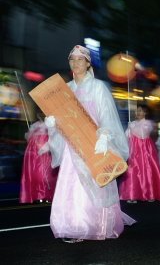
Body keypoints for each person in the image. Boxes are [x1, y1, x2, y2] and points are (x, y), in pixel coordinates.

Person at [45, 45, 135, 243]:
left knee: (95, 185)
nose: (76, 63)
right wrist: (53, 123)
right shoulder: (65, 89)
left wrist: (104, 138)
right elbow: (62, 119)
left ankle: (97, 225)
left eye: (80, 59)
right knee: (72, 186)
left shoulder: (98, 87)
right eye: (72, 59)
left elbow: (107, 117)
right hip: (72, 147)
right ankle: (75, 226)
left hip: (93, 145)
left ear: (88, 63)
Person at [119, 104, 160, 203]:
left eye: (140, 110)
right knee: (133, 172)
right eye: (137, 111)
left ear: (145, 112)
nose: (138, 113)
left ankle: (150, 193)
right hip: (134, 152)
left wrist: (131, 128)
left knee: (148, 170)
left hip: (146, 152)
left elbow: (142, 134)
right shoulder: (132, 123)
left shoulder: (148, 123)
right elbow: (126, 137)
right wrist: (128, 130)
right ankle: (132, 194)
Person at [19, 111, 58, 204]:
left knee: (46, 174)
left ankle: (46, 194)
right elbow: (28, 137)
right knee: (36, 174)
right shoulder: (36, 125)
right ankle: (38, 194)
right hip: (34, 153)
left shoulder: (51, 124)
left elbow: (55, 138)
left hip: (45, 151)